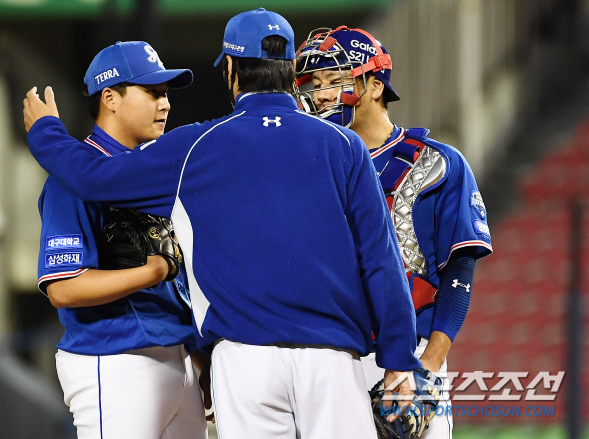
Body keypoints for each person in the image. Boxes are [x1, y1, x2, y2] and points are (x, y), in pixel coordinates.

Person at [23, 10, 421, 439]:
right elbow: (381, 259)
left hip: (244, 361)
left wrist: (46, 131)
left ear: (230, 70)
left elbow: (93, 178)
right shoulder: (344, 146)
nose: (165, 102)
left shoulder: (198, 144)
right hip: (332, 358)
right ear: (290, 70)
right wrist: (398, 357)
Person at [294, 26, 494, 437]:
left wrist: (430, 366)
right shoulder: (303, 170)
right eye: (315, 85)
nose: (322, 94)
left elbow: (459, 268)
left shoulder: (438, 164)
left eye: (335, 80)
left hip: (413, 349)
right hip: (329, 353)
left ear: (374, 84)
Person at [35, 41, 208, 439]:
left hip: (176, 359)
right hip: (113, 359)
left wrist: (199, 357)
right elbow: (64, 286)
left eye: (165, 94)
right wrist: (154, 271)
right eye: (152, 93)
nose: (164, 105)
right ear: (110, 97)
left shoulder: (155, 172)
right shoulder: (73, 179)